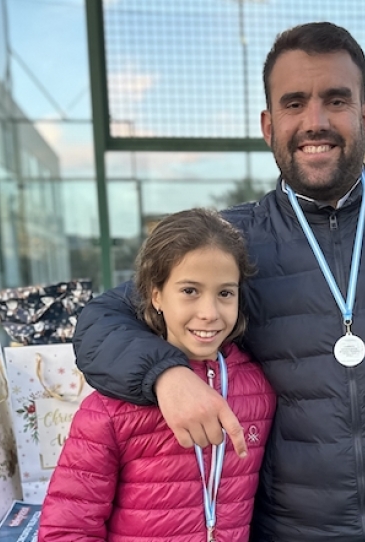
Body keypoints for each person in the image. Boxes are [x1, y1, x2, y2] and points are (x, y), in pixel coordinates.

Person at [74, 22, 365, 542]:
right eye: (294, 103)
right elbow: (99, 321)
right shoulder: (227, 241)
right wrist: (167, 376)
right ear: (268, 125)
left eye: (336, 100)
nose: (315, 121)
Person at [39, 208, 276, 542]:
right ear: (156, 295)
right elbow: (68, 528)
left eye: (225, 293)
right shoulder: (108, 408)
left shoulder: (260, 388)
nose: (209, 313)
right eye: (190, 291)